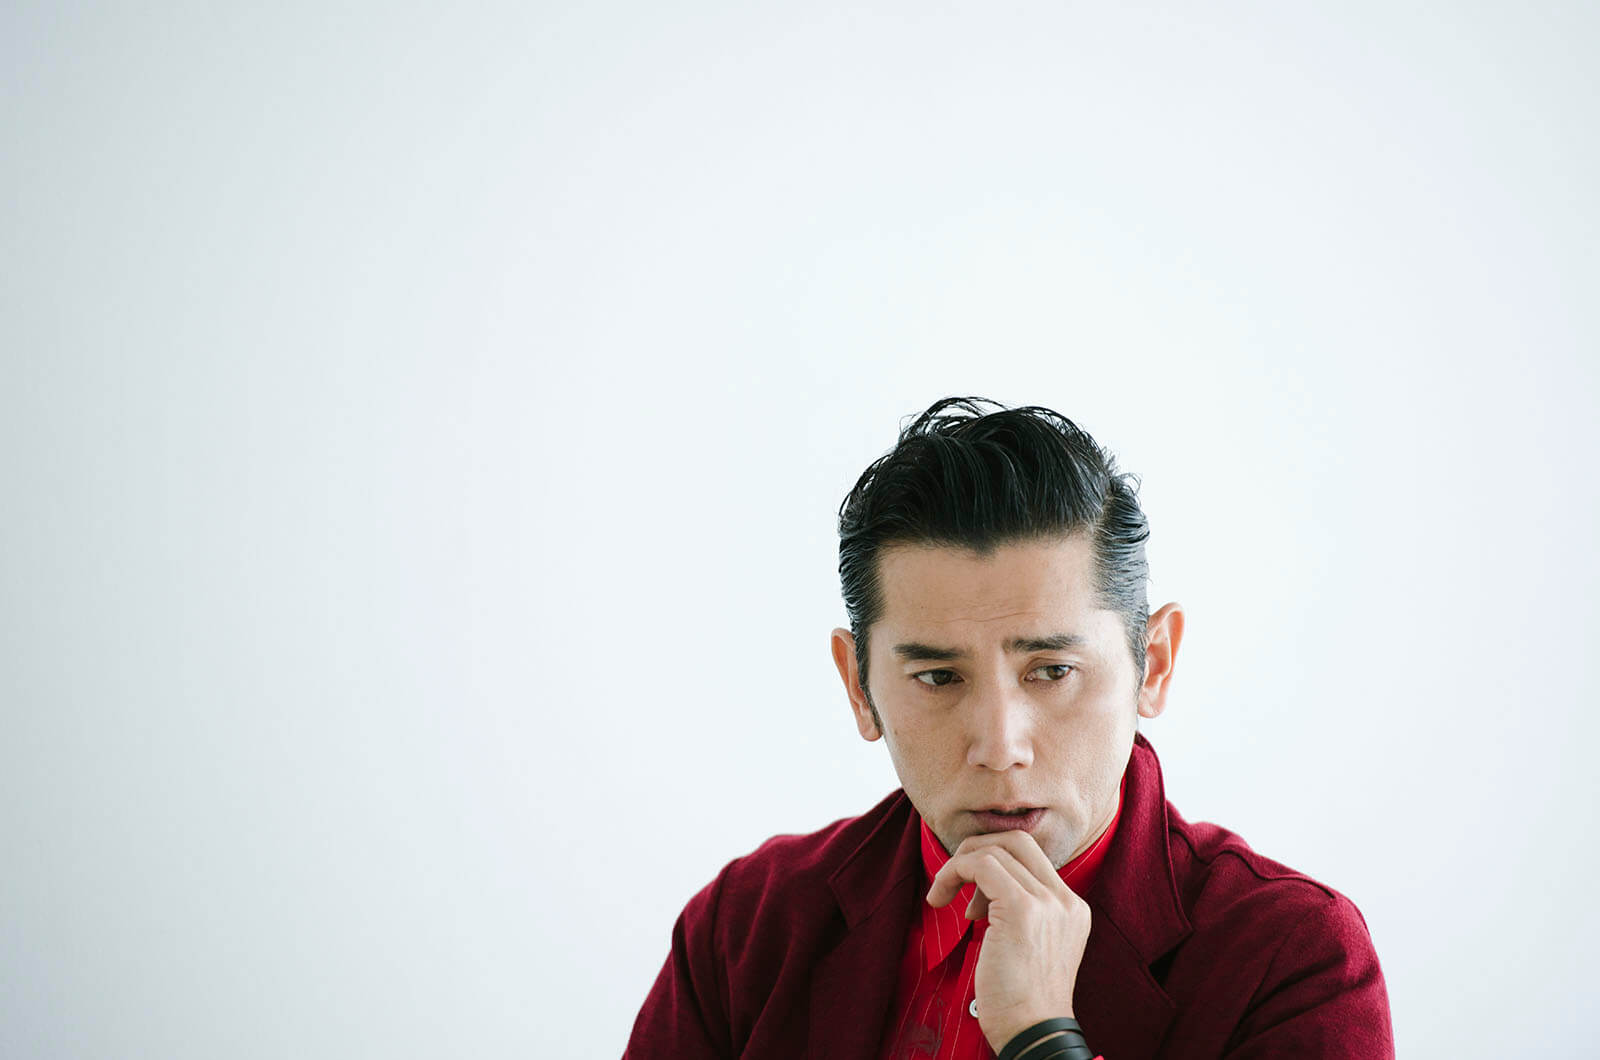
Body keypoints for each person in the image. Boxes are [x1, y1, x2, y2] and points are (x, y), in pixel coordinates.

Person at [624, 397, 1394, 1059]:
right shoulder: (746, 926)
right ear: (859, 688)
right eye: (938, 677)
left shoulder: (1293, 956)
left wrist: (1040, 1035)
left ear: (1153, 664)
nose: (999, 748)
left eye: (1052, 671)